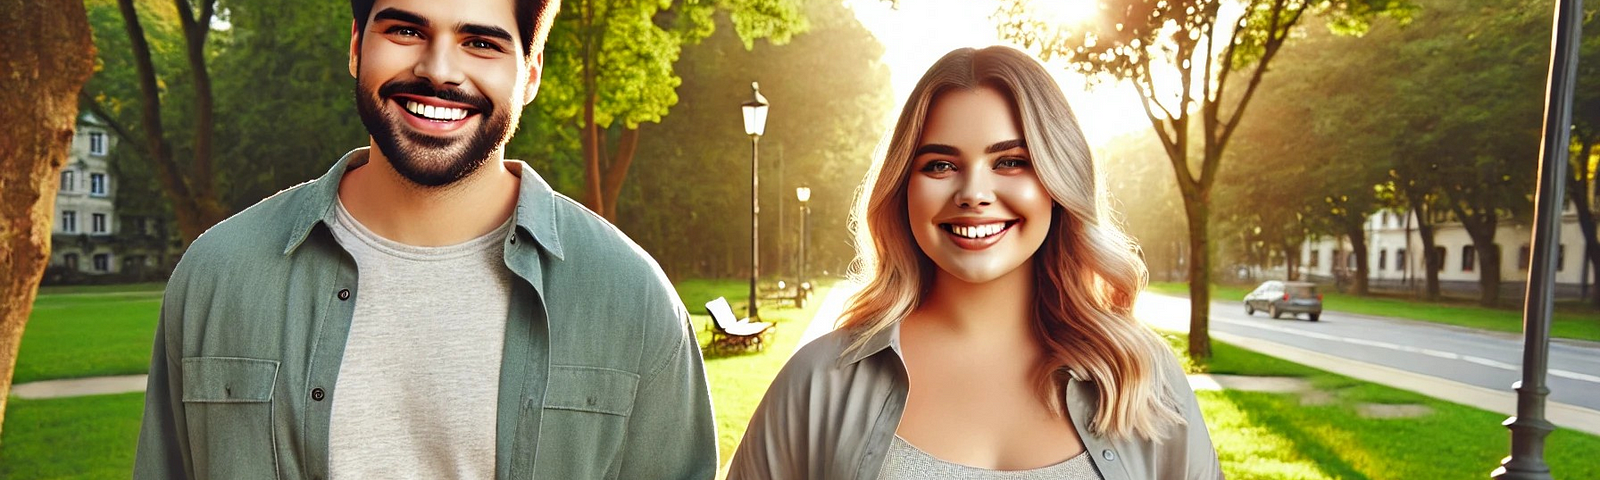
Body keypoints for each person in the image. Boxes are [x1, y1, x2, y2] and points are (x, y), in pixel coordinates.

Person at [133, 0, 717, 478]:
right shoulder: (218, 274)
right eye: (407, 29)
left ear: (531, 72)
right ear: (357, 46)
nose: (439, 70)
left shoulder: (632, 299)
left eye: (481, 42)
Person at [728, 46, 1221, 480]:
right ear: (904, 188)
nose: (973, 194)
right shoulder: (818, 384)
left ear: (1058, 179)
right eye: (939, 165)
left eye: (1010, 161)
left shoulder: (1142, 378)